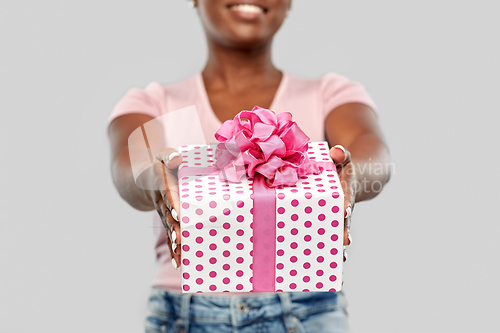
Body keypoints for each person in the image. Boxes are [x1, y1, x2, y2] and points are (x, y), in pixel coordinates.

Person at [107, 0, 390, 332]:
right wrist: (152, 178)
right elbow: (130, 168)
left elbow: (371, 151)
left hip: (307, 310)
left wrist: (353, 174)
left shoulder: (329, 93)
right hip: (186, 314)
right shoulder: (153, 103)